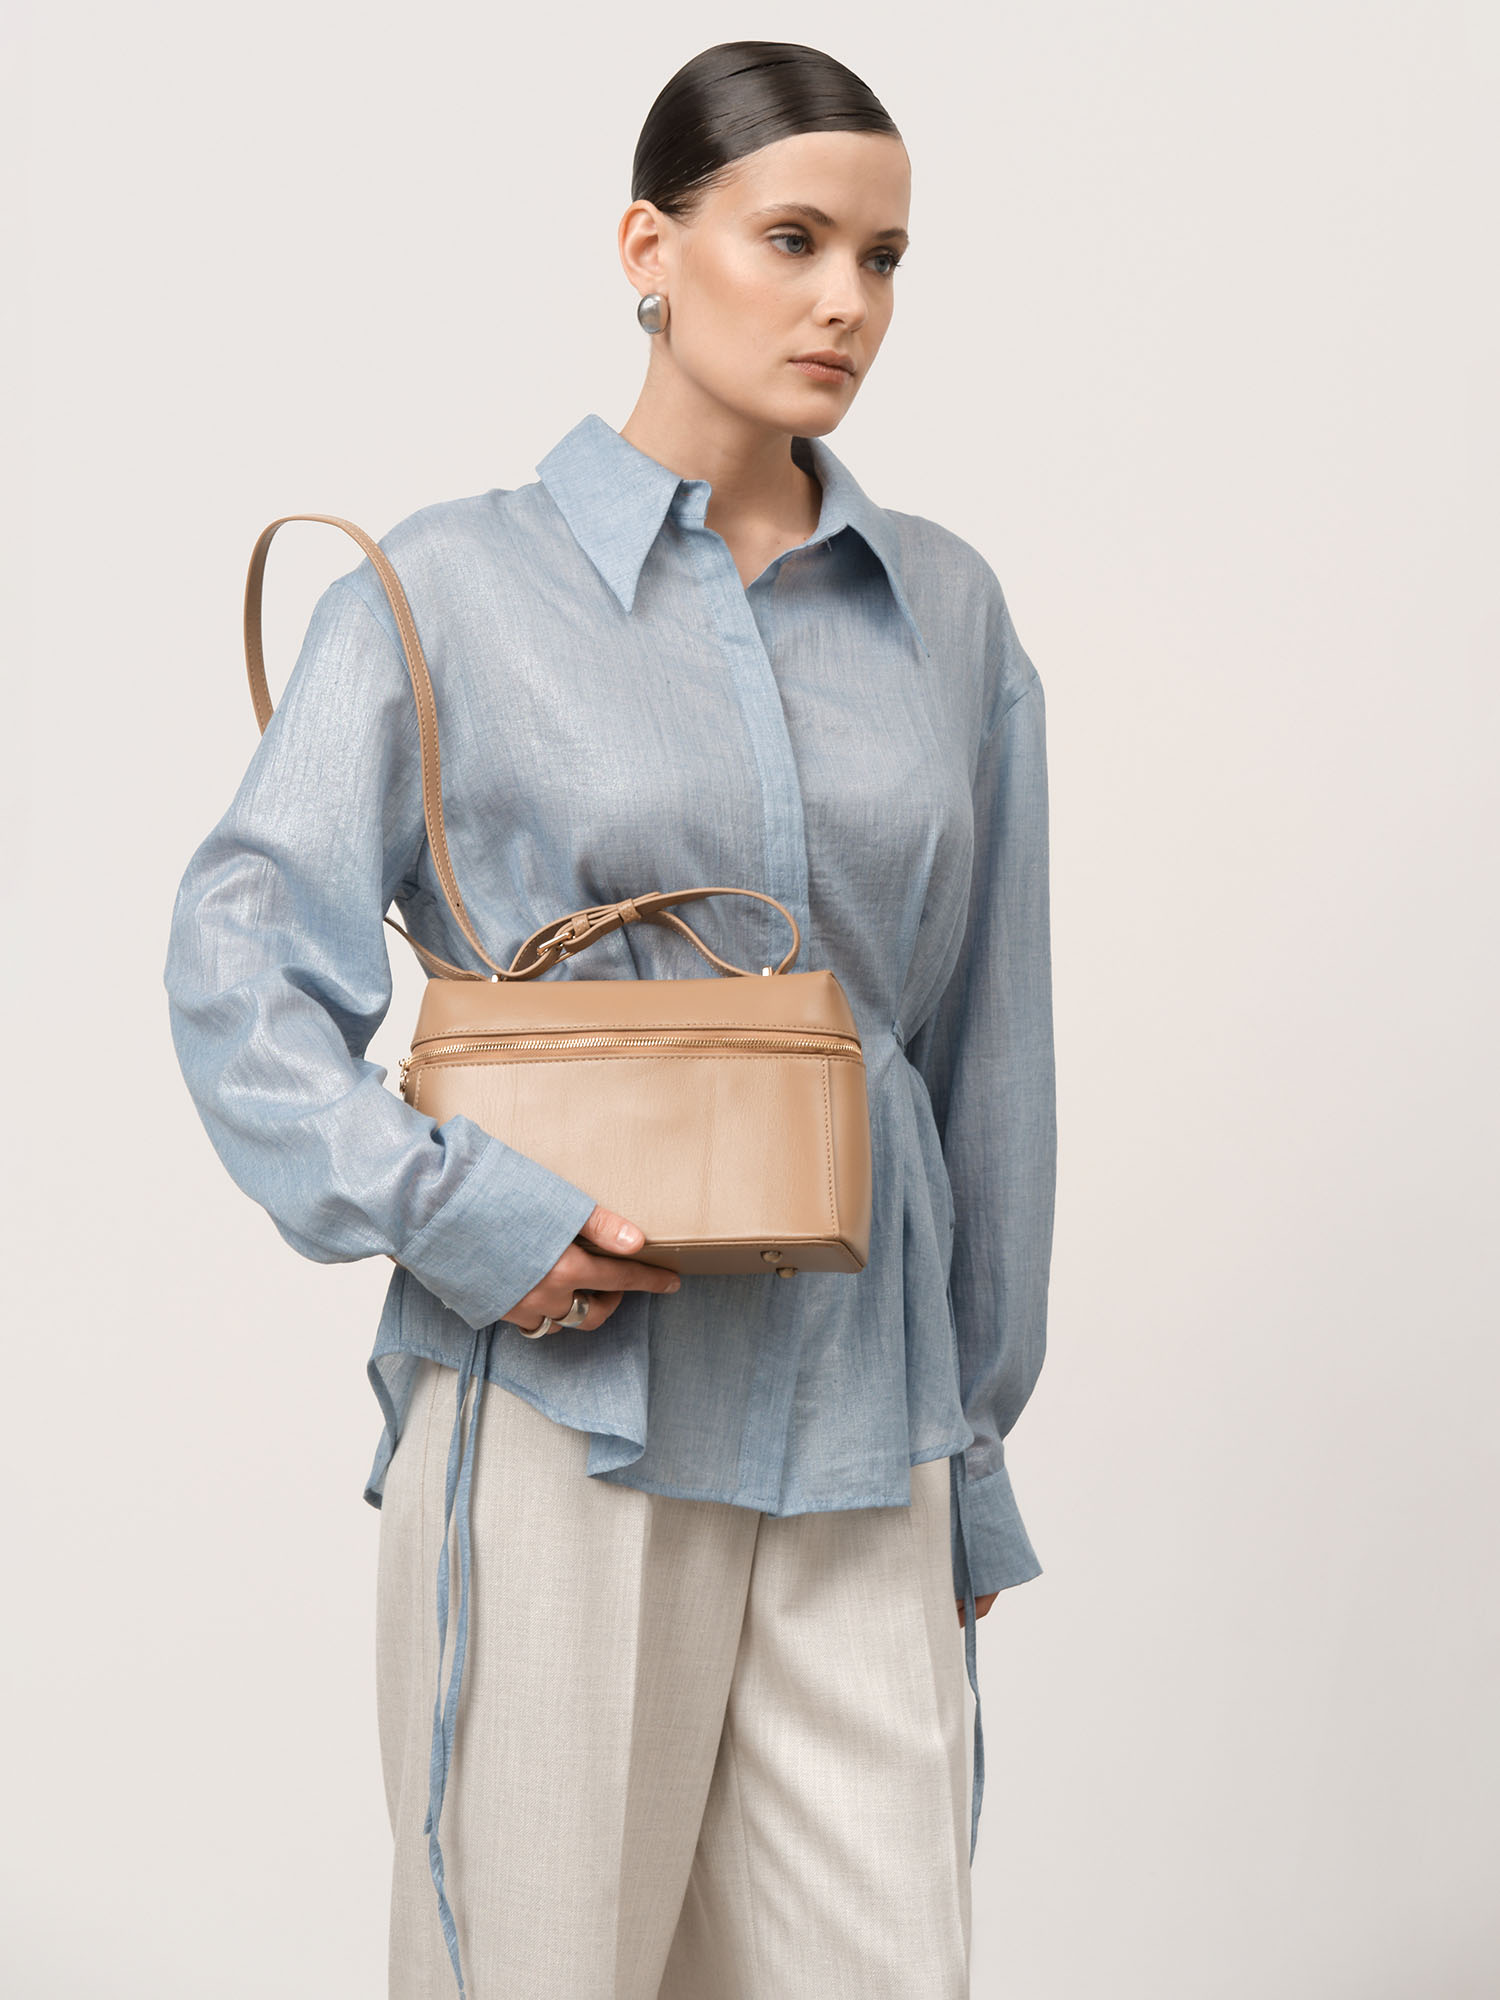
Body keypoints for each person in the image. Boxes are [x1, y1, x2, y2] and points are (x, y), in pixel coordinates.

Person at [163, 37, 1057, 2000]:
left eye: (885, 258)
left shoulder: (949, 615)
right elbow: (240, 967)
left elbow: (988, 1054)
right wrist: (467, 1216)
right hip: (567, 1405)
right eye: (794, 240)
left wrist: (976, 1449)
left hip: (873, 1424)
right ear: (649, 248)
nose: (846, 302)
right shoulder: (453, 588)